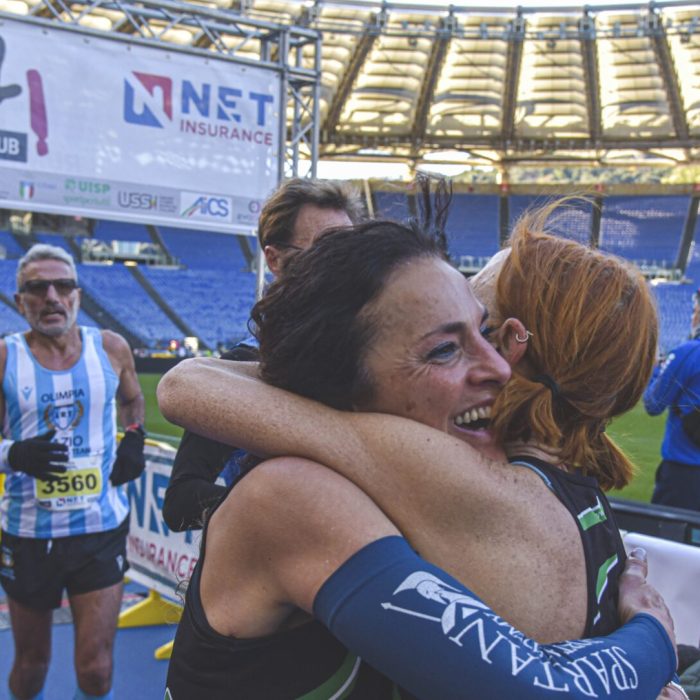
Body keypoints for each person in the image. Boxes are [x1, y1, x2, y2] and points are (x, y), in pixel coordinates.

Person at [158, 217, 678, 698]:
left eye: (484, 329)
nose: (495, 366)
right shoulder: (571, 498)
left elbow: (189, 383)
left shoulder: (469, 485)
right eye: (445, 346)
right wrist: (653, 638)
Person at [161, 177, 364, 531]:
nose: (343, 265)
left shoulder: (373, 353)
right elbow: (181, 501)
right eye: (324, 250)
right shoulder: (244, 363)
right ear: (274, 259)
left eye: (350, 250)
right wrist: (287, 517)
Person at [0, 244, 145, 700]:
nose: (52, 297)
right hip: (29, 533)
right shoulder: (5, 359)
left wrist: (135, 437)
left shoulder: (111, 347)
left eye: (63, 286)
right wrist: (14, 454)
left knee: (97, 670)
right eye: (37, 288)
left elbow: (132, 399)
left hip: (99, 528)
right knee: (31, 667)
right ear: (20, 300)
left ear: (77, 294)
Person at [644, 288, 700, 512]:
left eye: (696, 309)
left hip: (685, 474)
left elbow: (653, 403)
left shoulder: (689, 352)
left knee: (667, 532)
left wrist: (654, 369)